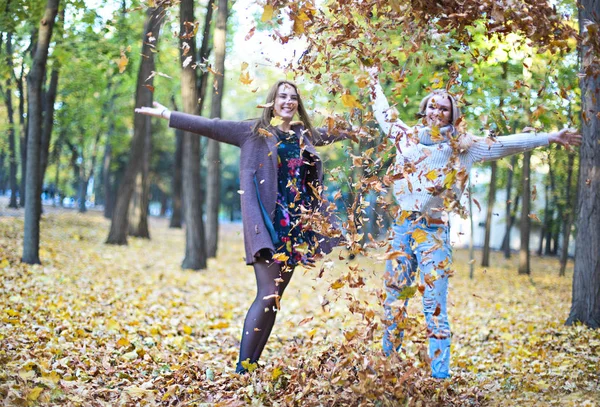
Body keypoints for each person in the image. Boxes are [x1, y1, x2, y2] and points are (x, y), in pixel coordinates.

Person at [367, 68, 581, 379]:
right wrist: (373, 80)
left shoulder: (464, 147)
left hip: (433, 232)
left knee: (434, 306)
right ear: (424, 108)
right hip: (401, 228)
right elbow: (383, 112)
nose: (437, 112)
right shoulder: (406, 137)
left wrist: (549, 137)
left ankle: (440, 378)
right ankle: (386, 369)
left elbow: (507, 143)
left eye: (445, 108)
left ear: (453, 116)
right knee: (393, 302)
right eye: (433, 106)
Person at [135, 80, 349, 374]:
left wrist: (368, 118)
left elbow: (335, 132)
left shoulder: (304, 135)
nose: (287, 101)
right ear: (271, 101)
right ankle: (242, 370)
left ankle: (251, 365)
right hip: (267, 226)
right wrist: (168, 115)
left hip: (296, 229)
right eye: (282, 96)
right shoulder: (252, 132)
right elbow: (211, 125)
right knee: (266, 294)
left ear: (297, 104)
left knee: (275, 298)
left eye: (293, 97)